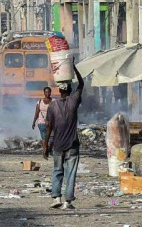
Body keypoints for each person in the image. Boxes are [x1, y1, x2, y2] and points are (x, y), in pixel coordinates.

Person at [43, 61, 84, 210]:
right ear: (70, 89)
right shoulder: (74, 101)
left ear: (59, 91)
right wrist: (73, 67)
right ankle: (68, 202)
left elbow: (48, 127)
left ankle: (56, 198)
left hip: (58, 145)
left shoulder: (52, 105)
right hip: (72, 144)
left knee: (57, 171)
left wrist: (45, 145)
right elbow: (82, 84)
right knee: (71, 173)